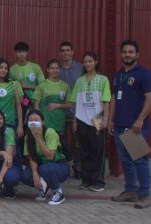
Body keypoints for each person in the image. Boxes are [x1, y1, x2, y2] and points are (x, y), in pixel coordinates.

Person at [109, 40, 151, 209]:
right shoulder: (119, 74)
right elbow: (115, 98)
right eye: (124, 52)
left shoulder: (143, 73)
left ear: (137, 55)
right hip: (120, 125)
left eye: (131, 52)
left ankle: (144, 195)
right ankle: (130, 190)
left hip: (135, 126)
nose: (127, 54)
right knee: (125, 160)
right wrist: (110, 120)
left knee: (139, 160)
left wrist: (140, 119)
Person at [69, 51, 111, 192]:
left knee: (97, 152)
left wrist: (105, 118)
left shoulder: (103, 80)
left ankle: (98, 182)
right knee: (84, 152)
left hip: (97, 120)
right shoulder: (79, 81)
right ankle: (86, 181)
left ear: (96, 62)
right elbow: (77, 102)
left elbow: (106, 101)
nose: (87, 64)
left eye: (90, 61)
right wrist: (75, 120)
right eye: (85, 61)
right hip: (82, 120)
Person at [20, 109, 69, 205]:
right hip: (42, 167)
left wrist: (38, 137)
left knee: (45, 168)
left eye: (36, 120)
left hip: (59, 167)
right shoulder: (27, 137)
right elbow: (32, 157)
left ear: (42, 122)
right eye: (31, 120)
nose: (34, 123)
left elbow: (50, 156)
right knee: (25, 175)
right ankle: (44, 187)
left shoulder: (49, 132)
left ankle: (58, 192)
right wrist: (34, 173)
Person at [32, 59, 72, 173]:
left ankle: (60, 170)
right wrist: (38, 121)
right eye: (52, 68)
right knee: (46, 145)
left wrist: (58, 105)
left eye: (57, 68)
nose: (55, 70)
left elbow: (70, 104)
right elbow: (36, 104)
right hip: (46, 122)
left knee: (59, 147)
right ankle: (45, 169)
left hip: (59, 122)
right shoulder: (42, 85)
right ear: (47, 70)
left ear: (60, 70)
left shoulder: (64, 85)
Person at [58, 41, 85, 179]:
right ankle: (65, 165)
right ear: (60, 53)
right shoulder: (57, 69)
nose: (65, 53)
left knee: (78, 142)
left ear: (72, 52)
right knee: (60, 140)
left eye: (68, 50)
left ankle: (79, 167)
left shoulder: (81, 68)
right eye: (63, 50)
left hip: (77, 112)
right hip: (61, 113)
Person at [0, 59, 24, 139]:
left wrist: (20, 125)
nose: (3, 70)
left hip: (10, 123)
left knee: (11, 150)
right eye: (1, 68)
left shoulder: (13, 84)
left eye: (6, 68)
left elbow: (18, 105)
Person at [9, 41, 44, 106]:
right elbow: (9, 88)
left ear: (27, 53)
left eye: (24, 52)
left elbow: (43, 87)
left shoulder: (35, 67)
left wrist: (27, 86)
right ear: (15, 53)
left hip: (34, 102)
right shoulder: (11, 69)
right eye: (19, 52)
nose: (21, 54)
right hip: (18, 102)